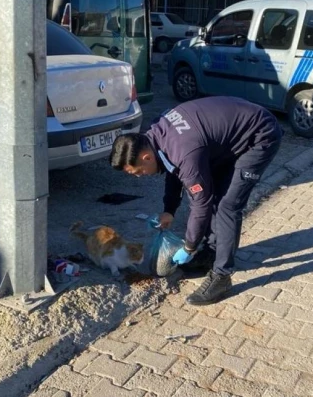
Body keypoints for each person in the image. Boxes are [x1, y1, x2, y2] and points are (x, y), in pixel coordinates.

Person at [110, 96, 282, 305]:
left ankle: (222, 276)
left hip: (259, 135)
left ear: (146, 157)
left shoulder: (185, 151)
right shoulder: (155, 136)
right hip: (227, 137)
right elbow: (173, 168)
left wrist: (190, 246)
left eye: (137, 171)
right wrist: (169, 210)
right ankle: (211, 253)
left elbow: (201, 203)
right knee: (216, 194)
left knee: (227, 206)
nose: (139, 176)